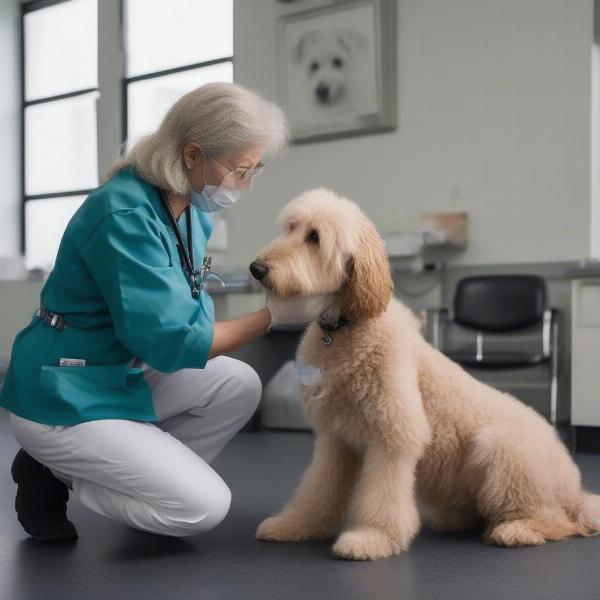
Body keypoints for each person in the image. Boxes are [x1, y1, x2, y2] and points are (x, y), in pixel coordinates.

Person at [0, 82, 333, 542]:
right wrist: (272, 317)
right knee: (202, 509)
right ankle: (55, 469)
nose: (246, 185)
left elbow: (186, 320)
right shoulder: (123, 214)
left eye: (256, 170)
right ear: (193, 155)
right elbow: (175, 343)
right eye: (240, 170)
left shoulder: (193, 212)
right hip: (63, 386)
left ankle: (133, 477)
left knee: (239, 383)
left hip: (118, 372)